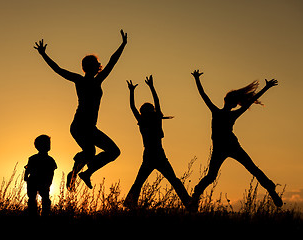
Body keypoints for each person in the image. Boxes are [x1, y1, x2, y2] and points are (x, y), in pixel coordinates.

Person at [34, 30, 127, 190]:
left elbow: (112, 62)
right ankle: (78, 171)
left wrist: (123, 45)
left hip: (89, 128)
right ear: (90, 68)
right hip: (80, 126)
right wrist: (44, 55)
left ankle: (84, 172)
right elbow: (58, 69)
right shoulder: (83, 80)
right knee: (93, 152)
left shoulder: (95, 80)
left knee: (111, 151)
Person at [190, 69, 283, 210]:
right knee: (250, 170)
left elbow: (204, 96)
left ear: (228, 102)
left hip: (228, 148)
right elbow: (205, 96)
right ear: (232, 104)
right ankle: (195, 196)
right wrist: (266, 87)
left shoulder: (218, 112)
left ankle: (196, 195)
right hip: (227, 148)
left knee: (213, 176)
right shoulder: (226, 113)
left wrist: (197, 79)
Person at [124, 75, 192, 209]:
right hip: (156, 155)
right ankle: (188, 202)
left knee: (140, 181)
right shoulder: (154, 119)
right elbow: (147, 103)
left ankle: (130, 203)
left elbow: (133, 106)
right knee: (172, 180)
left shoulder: (148, 120)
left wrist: (133, 92)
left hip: (153, 155)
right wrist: (150, 87)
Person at [24, 135, 57, 216]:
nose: (48, 145)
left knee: (40, 199)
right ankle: (37, 215)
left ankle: (40, 215)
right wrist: (26, 177)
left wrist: (26, 177)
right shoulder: (48, 159)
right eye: (46, 144)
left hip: (40, 182)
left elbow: (27, 170)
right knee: (37, 199)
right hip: (37, 182)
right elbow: (28, 170)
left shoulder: (34, 158)